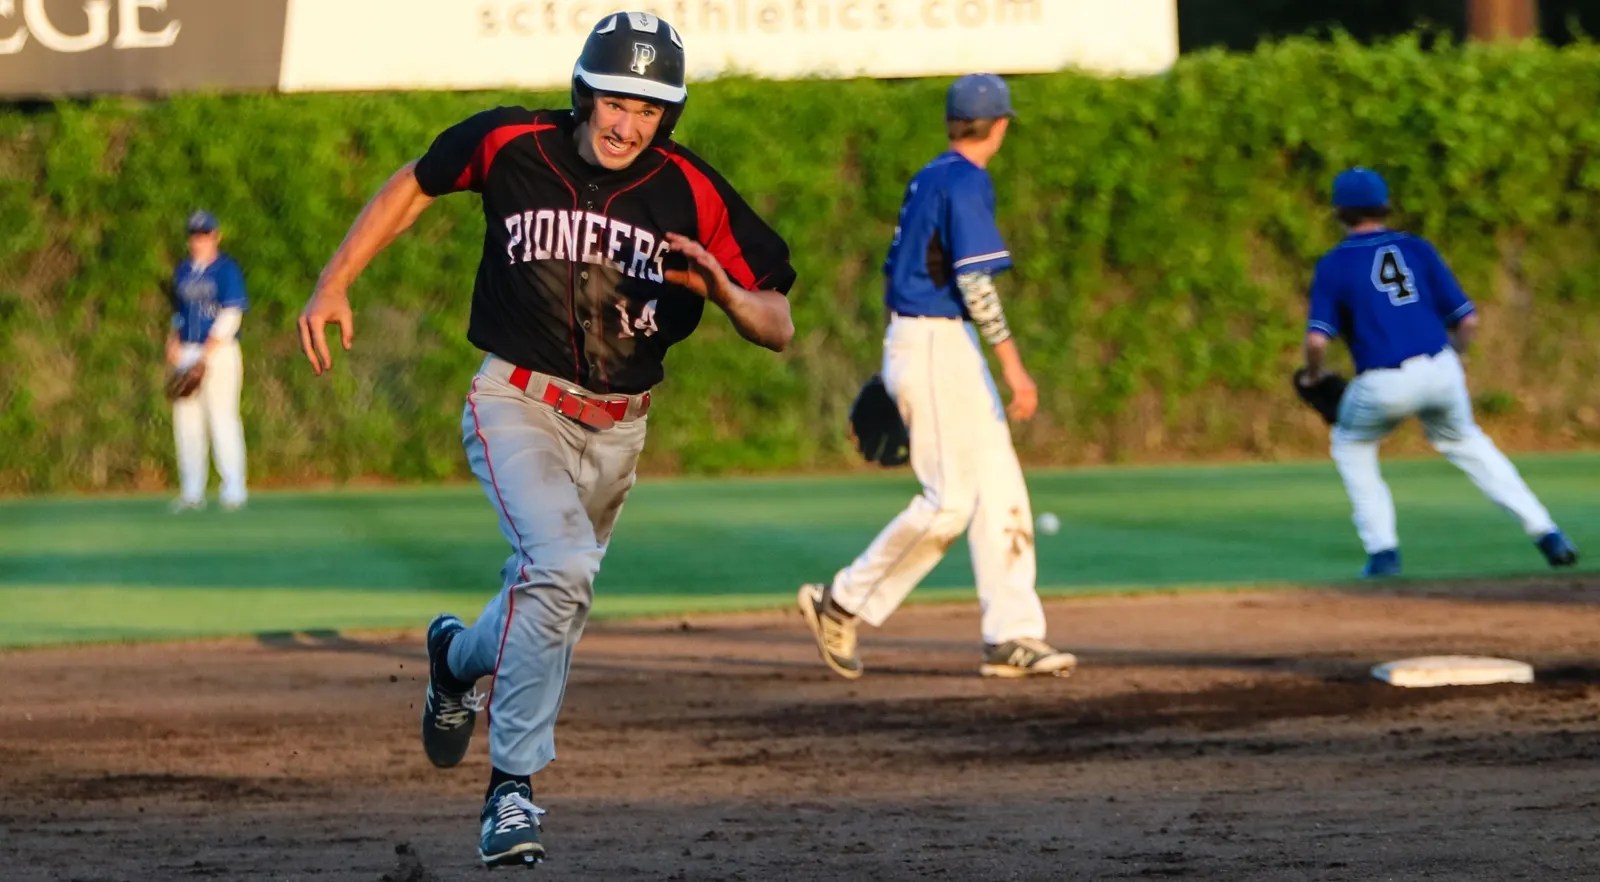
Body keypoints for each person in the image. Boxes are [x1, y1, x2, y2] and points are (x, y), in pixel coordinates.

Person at [296, 11, 795, 869]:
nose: (625, 122)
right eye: (613, 99)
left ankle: (456, 658)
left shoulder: (692, 189)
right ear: (582, 92)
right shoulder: (512, 144)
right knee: (562, 568)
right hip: (515, 401)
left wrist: (727, 293)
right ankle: (512, 791)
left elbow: (777, 322)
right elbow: (415, 182)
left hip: (620, 432)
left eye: (647, 108)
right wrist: (335, 280)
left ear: (666, 118)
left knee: (550, 598)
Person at [797, 74, 1077, 682]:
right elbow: (975, 284)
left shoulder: (929, 176)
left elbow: (907, 270)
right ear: (999, 126)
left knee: (1000, 485)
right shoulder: (966, 180)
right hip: (934, 339)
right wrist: (1016, 370)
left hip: (929, 337)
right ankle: (841, 600)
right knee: (949, 501)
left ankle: (1012, 635)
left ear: (954, 123)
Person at [1300, 167, 1578, 578]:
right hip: (1441, 368)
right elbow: (1467, 319)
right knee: (1468, 443)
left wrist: (1312, 376)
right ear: (1384, 206)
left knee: (1352, 445)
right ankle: (1547, 532)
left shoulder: (1335, 263)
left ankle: (1383, 554)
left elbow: (1318, 341)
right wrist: (1458, 360)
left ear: (1339, 212)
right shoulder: (1416, 248)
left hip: (1383, 380)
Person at [166, 210, 249, 513]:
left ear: (216, 236)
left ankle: (233, 490)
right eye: (195, 235)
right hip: (188, 349)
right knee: (186, 423)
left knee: (222, 419)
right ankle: (191, 491)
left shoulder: (226, 270)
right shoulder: (184, 270)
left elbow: (232, 314)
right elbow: (178, 312)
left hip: (219, 352)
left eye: (205, 234)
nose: (199, 240)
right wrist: (173, 341)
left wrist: (206, 354)